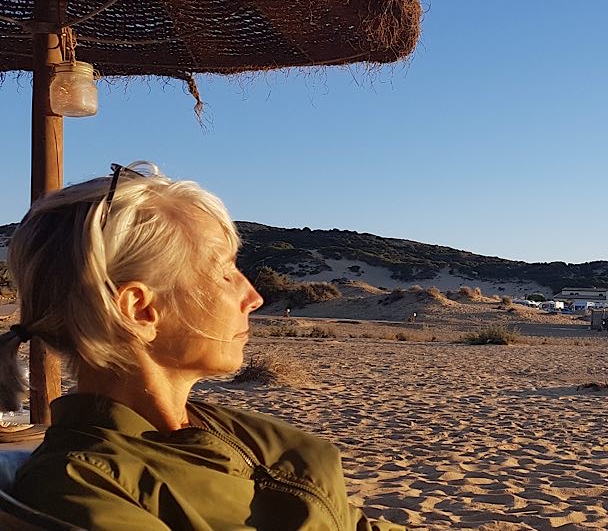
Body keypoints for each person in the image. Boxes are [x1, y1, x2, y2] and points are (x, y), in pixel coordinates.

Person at [0, 163, 402, 530]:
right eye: (224, 271)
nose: (254, 296)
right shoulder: (82, 486)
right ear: (140, 310)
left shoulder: (223, 430)